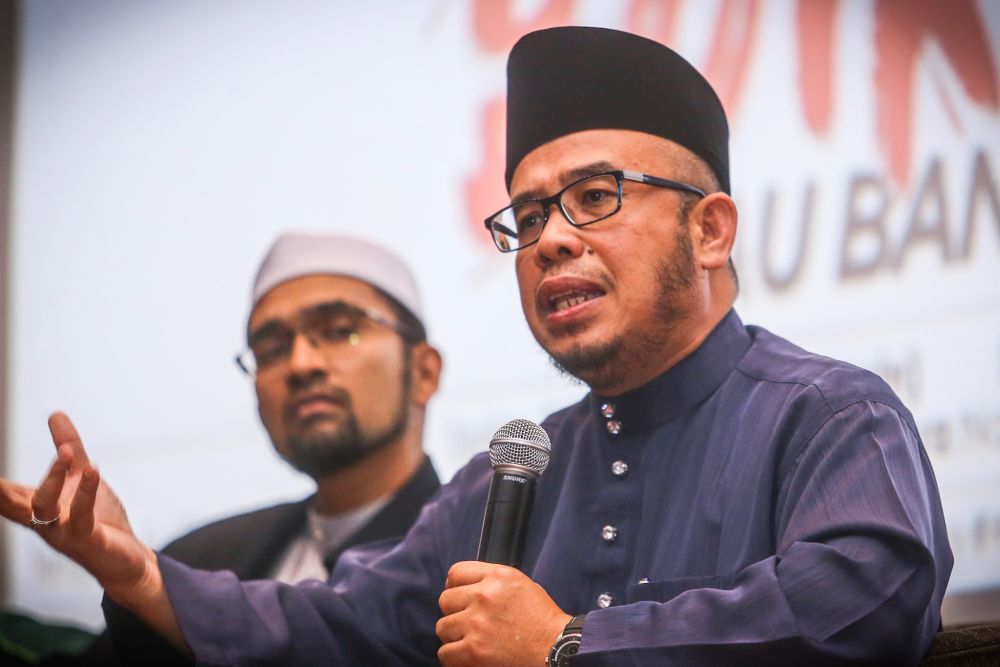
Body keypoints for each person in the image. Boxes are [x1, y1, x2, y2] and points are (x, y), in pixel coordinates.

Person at [1, 26, 952, 666]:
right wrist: (134, 571)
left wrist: (571, 644)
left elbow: (868, 600)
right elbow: (345, 623)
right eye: (530, 214)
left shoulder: (829, 413)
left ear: (710, 231)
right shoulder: (520, 467)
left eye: (595, 196)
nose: (552, 240)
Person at [9, 232, 445, 664]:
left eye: (340, 331)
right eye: (271, 349)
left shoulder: (471, 563)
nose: (300, 364)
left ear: (424, 372)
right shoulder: (199, 560)